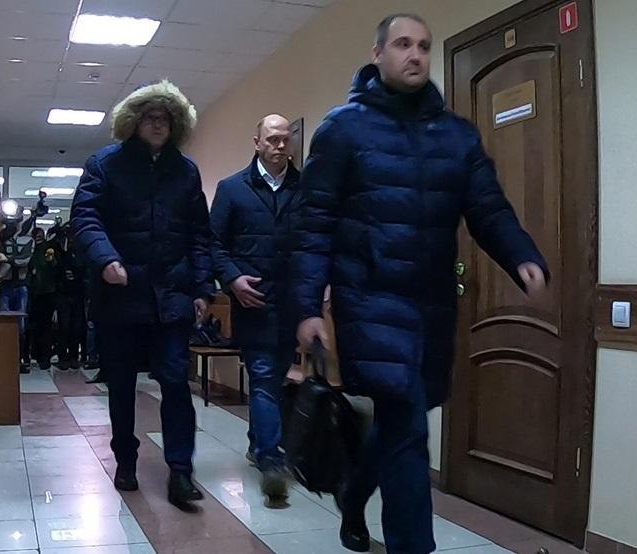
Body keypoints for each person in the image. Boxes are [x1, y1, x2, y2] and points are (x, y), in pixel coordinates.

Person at [291, 14, 549, 553]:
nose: (415, 55)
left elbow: (487, 207)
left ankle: (353, 493)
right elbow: (313, 224)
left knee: (400, 420)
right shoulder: (343, 129)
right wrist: (308, 305)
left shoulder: (456, 136)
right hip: (368, 300)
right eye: (403, 44)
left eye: (424, 47)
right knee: (408, 427)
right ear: (378, 54)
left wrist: (521, 255)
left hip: (431, 306)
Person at [71, 80, 214, 509]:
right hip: (121, 294)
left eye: (165, 117)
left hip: (172, 296)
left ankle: (181, 471)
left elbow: (199, 235)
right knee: (121, 384)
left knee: (175, 381)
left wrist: (203, 287)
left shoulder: (186, 171)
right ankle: (126, 459)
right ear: (133, 121)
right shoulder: (105, 164)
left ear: (176, 124)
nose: (157, 123)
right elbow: (85, 218)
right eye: (150, 116)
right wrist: (105, 259)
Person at [210, 114, 301, 507]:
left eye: (285, 139)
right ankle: (271, 460)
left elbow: (314, 243)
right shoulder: (232, 189)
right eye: (272, 139)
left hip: (293, 304)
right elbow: (213, 244)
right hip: (254, 303)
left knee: (276, 377)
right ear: (257, 142)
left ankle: (256, 442)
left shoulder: (306, 189)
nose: (279, 145)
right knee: (263, 376)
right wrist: (232, 280)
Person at [0, 213, 35, 372]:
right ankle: (5, 358)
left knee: (21, 325)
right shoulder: (1, 238)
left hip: (21, 286)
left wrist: (7, 259)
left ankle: (21, 359)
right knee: (3, 323)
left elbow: (24, 260)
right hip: (6, 285)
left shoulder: (27, 240)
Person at [54, 224, 86, 371]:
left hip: (77, 293)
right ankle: (63, 357)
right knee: (64, 327)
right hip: (63, 293)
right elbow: (57, 270)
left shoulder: (79, 252)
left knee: (75, 327)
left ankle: (73, 356)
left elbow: (83, 269)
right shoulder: (60, 252)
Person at [27, 227, 58, 370]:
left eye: (40, 235)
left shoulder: (47, 249)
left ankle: (43, 356)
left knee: (44, 326)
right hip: (36, 293)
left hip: (46, 293)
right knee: (37, 326)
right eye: (36, 236)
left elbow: (54, 267)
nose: (38, 238)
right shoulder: (33, 250)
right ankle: (37, 354)